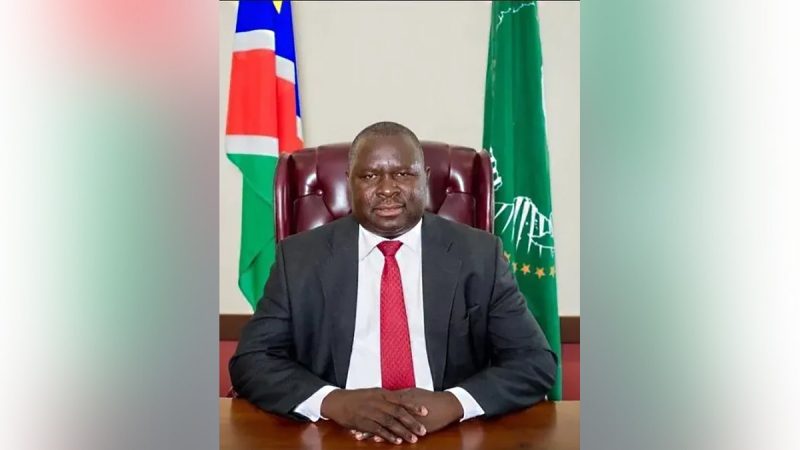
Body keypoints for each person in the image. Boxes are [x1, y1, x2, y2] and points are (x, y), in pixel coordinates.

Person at [230, 121, 557, 445]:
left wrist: (454, 403)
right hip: (336, 434)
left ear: (425, 179)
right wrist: (334, 402)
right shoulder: (300, 258)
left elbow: (534, 361)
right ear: (349, 182)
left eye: (403, 173)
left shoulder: (479, 255)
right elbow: (252, 360)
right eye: (369, 176)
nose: (387, 189)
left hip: (445, 435)